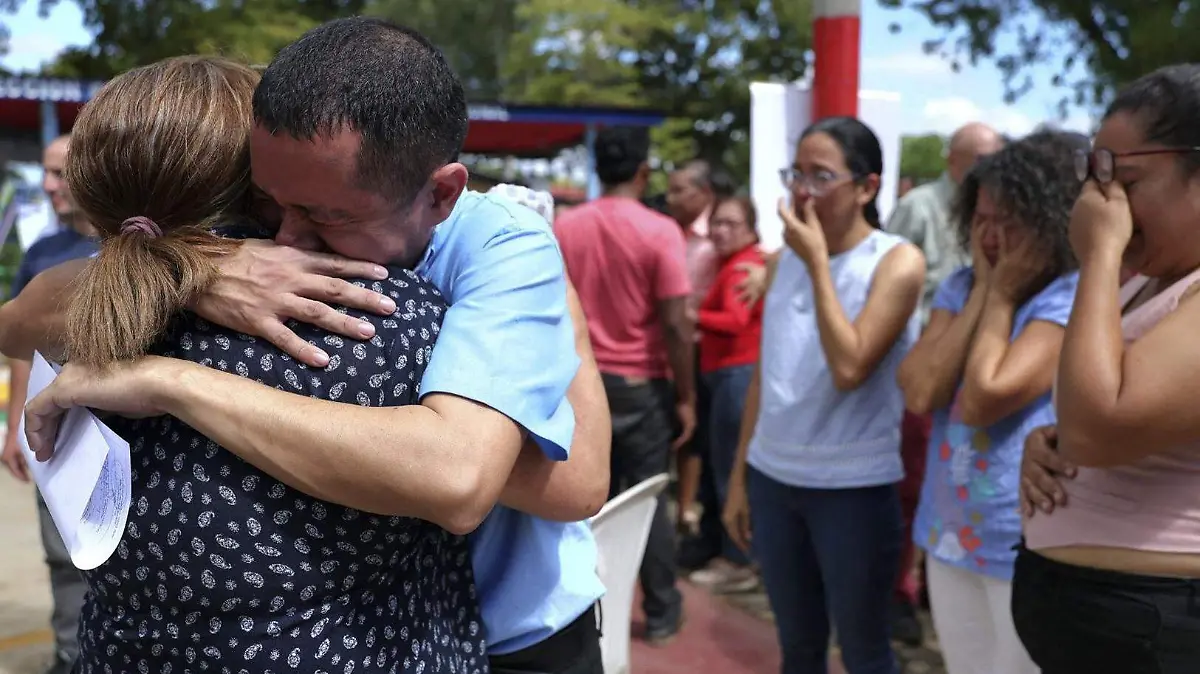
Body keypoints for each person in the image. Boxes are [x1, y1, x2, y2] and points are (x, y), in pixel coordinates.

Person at [13, 18, 609, 674]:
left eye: (328, 215)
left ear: (440, 195)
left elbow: (535, 484)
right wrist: (194, 269)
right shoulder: (231, 267)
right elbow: (21, 318)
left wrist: (168, 381)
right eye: (268, 202)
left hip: (518, 626)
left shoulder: (501, 250)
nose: (288, 241)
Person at [1013, 63, 1200, 673]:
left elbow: (1100, 428)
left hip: (1152, 622)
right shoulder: (1146, 284)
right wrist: (1048, 442)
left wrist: (1098, 255)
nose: (1101, 201)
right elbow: (1088, 420)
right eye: (1093, 176)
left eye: (1125, 179)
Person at [722, 117, 926, 674]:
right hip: (773, 475)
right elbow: (769, 372)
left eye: (821, 176)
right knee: (798, 648)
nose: (802, 190)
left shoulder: (895, 260)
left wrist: (816, 263)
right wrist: (741, 476)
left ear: (866, 187)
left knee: (864, 651)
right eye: (797, 173)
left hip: (851, 487)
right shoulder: (783, 260)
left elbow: (851, 366)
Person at [896, 130, 1085, 674]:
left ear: (1052, 222)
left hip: (1023, 539)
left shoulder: (1068, 296)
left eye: (1009, 221)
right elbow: (920, 390)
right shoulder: (961, 286)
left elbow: (985, 398)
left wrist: (999, 296)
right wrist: (984, 290)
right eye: (981, 218)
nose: (992, 236)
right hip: (949, 532)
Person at [554, 126, 693, 645]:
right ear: (644, 171)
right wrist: (686, 396)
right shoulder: (660, 231)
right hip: (642, 384)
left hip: (581, 382)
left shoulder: (567, 226)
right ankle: (661, 610)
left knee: (581, 501)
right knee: (645, 499)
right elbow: (677, 324)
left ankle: (581, 608)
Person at [884, 121, 1005, 645]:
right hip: (929, 349)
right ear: (953, 158)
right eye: (978, 158)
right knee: (913, 484)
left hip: (982, 346)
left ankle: (933, 586)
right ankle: (902, 591)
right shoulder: (921, 207)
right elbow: (889, 275)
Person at [0, 133, 94, 674]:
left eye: (60, 173)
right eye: (45, 173)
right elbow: (19, 347)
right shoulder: (41, 252)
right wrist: (14, 427)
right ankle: (68, 657)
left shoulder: (132, 247)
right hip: (49, 435)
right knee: (60, 557)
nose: (49, 185)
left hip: (108, 435)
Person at [694, 194, 765, 594]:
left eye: (730, 223)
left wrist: (692, 315)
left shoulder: (746, 265)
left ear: (751, 229)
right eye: (716, 223)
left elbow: (735, 320)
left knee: (730, 469)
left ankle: (738, 560)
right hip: (729, 376)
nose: (720, 231)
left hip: (737, 376)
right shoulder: (744, 263)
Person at [664, 158, 732, 574]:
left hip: (710, 355)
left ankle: (699, 523)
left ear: (703, 193)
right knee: (691, 440)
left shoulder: (720, 237)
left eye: (678, 191)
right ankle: (691, 518)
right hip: (685, 351)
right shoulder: (674, 233)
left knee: (707, 446)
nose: (671, 199)